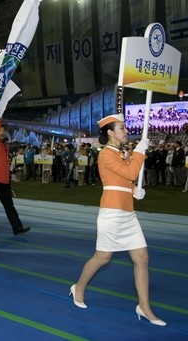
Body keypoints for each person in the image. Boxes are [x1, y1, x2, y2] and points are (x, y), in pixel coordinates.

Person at [70, 114, 165, 326]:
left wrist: (134, 190)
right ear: (110, 133)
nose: (125, 131)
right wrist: (140, 153)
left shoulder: (122, 153)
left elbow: (124, 179)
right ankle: (79, 287)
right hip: (112, 214)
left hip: (128, 214)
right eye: (121, 128)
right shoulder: (105, 154)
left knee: (142, 258)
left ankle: (144, 306)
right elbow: (131, 172)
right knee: (102, 258)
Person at [0, 119, 30, 235]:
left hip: (4, 182)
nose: (2, 132)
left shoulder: (5, 145)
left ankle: (17, 227)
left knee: (9, 206)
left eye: (3, 131)